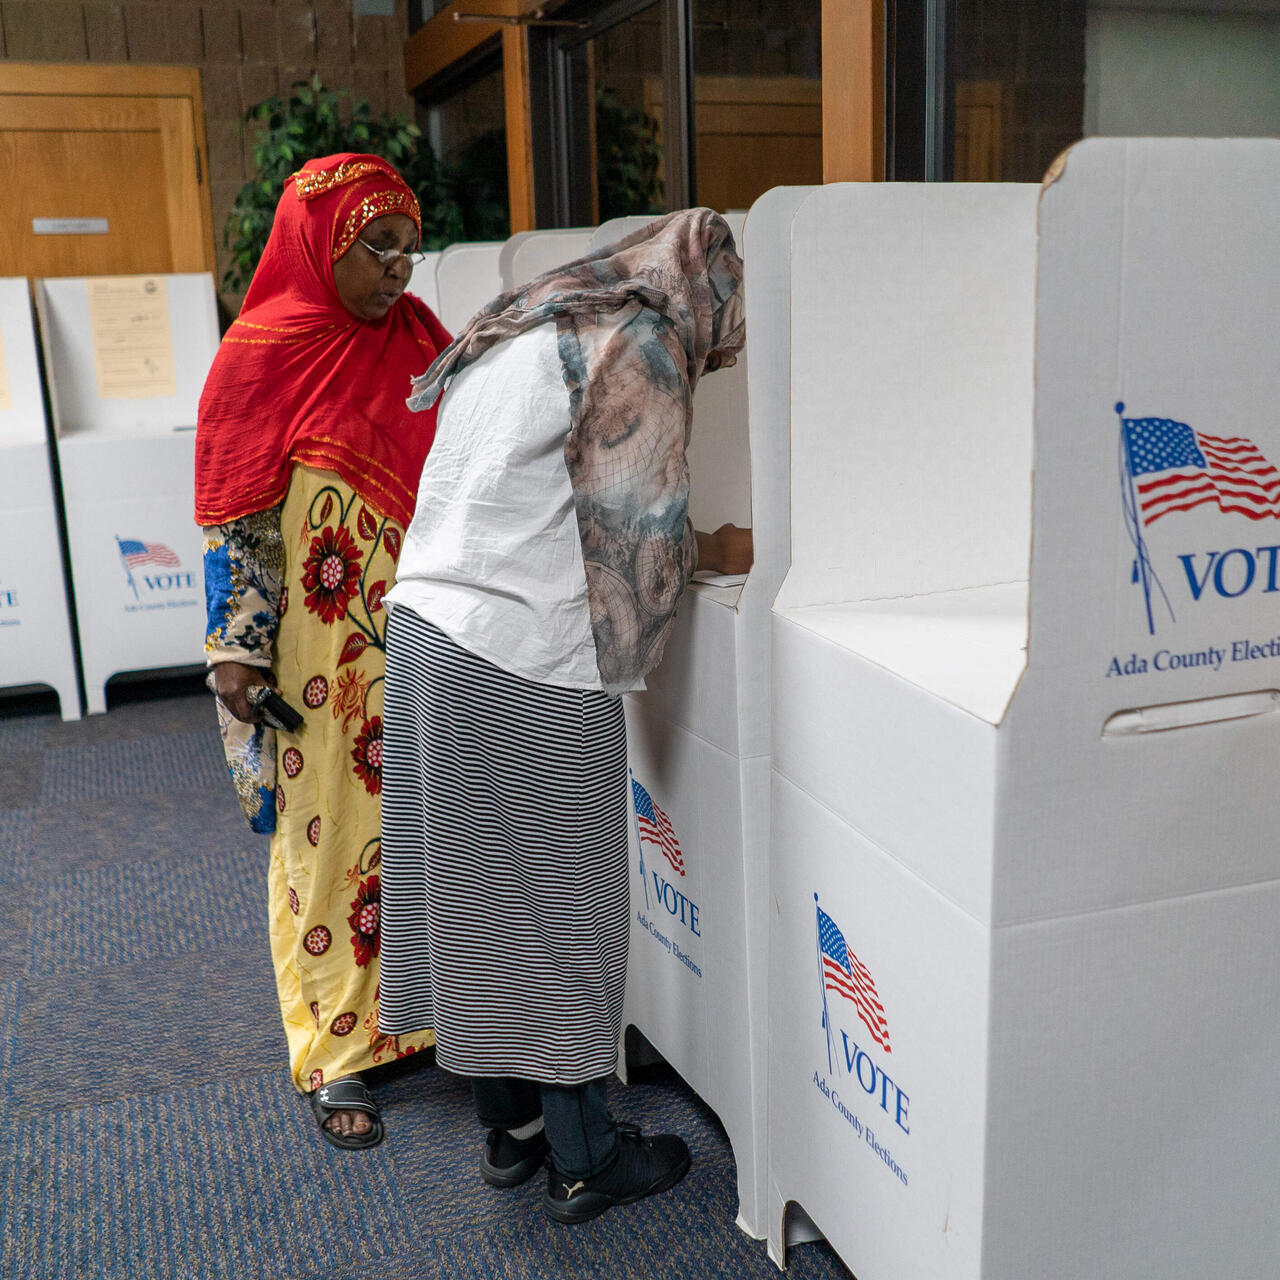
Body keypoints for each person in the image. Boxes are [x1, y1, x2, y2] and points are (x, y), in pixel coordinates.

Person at [377, 208, 750, 1221]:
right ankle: (587, 1157)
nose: (724, 345)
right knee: (563, 910)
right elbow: (637, 551)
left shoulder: (536, 313)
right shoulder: (642, 339)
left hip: (422, 631)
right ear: (701, 288)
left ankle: (515, 1135)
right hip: (516, 656)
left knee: (477, 905)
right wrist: (722, 550)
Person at [194, 153, 451, 1150]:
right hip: (315, 649)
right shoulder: (262, 350)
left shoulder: (423, 341)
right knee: (327, 834)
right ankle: (336, 1046)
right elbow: (237, 521)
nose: (396, 270)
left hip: (424, 635)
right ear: (321, 244)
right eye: (374, 246)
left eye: (406, 249)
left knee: (424, 821)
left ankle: (419, 1015)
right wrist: (236, 656)